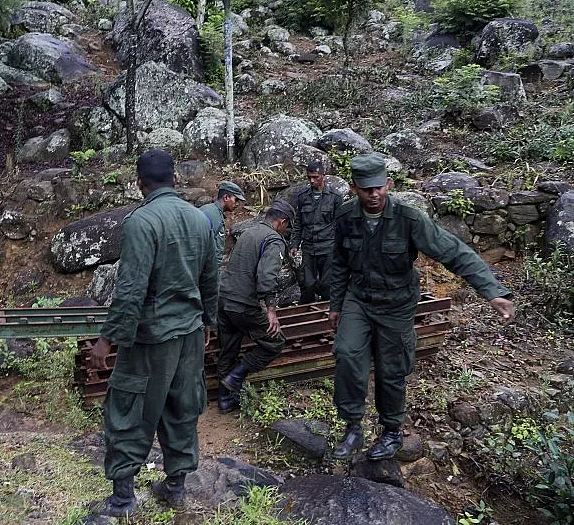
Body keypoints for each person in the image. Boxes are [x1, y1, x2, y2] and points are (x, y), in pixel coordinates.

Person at [329, 154, 515, 461]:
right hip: (359, 300)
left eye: (379, 188)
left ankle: (390, 431)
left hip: (397, 304)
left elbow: (453, 252)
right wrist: (336, 305)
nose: (374, 195)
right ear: (354, 189)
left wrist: (492, 291)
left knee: (392, 369)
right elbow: (337, 263)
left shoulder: (409, 219)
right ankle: (352, 427)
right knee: (347, 355)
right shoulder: (346, 216)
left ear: (388, 185)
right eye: (366, 189)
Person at [88, 150, 218, 516]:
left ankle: (123, 500)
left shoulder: (140, 223)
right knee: (182, 406)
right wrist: (209, 322)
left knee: (129, 408)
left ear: (140, 184)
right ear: (175, 180)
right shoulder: (200, 220)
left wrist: (106, 339)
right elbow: (211, 279)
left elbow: (130, 290)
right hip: (190, 334)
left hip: (152, 338)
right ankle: (175, 486)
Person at [215, 200, 296, 414]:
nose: (286, 231)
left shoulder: (249, 233)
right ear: (282, 222)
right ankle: (236, 377)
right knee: (274, 342)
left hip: (223, 300)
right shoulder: (274, 239)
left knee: (228, 349)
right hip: (243, 303)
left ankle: (224, 400)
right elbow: (267, 276)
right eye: (287, 226)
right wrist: (271, 311)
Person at [290, 161, 344, 304]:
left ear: (323, 176)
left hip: (328, 248)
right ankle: (306, 316)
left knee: (328, 285)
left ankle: (329, 315)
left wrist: (341, 248)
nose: (312, 181)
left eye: (315, 177)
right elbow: (298, 223)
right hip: (309, 247)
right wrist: (294, 244)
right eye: (309, 177)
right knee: (307, 284)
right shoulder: (303, 197)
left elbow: (341, 225)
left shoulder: (335, 197)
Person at [199, 181, 246, 268]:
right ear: (226, 197)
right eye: (236, 200)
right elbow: (216, 253)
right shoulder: (216, 218)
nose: (237, 204)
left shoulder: (206, 209)